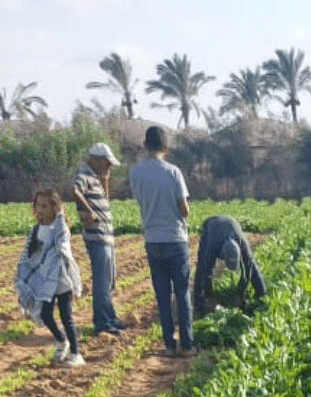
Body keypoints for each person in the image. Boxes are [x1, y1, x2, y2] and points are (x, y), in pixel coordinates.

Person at [129, 126, 197, 358]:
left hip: (152, 239)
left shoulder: (136, 174)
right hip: (175, 238)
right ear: (166, 148)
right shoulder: (173, 172)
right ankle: (187, 345)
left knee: (163, 296)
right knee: (182, 293)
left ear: (145, 145)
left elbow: (140, 201)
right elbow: (184, 209)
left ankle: (169, 344)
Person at [15, 188, 85, 367]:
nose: (40, 209)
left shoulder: (60, 227)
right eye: (38, 205)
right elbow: (30, 257)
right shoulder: (36, 230)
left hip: (61, 280)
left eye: (45, 206)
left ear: (54, 208)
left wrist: (61, 214)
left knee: (66, 316)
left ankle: (76, 354)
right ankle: (62, 341)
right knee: (46, 315)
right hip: (45, 282)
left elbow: (62, 242)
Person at [73, 142, 126, 335]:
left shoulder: (95, 177)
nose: (108, 167)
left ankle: (110, 318)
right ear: (95, 160)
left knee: (109, 279)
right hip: (97, 236)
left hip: (105, 236)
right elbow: (75, 191)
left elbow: (105, 199)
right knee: (102, 281)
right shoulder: (84, 176)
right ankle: (102, 323)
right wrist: (89, 212)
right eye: (107, 163)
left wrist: (105, 179)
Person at [193, 215, 267, 318]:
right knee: (202, 266)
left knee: (252, 265)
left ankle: (262, 296)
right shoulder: (213, 247)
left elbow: (249, 268)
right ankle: (199, 305)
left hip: (233, 224)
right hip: (212, 224)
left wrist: (240, 293)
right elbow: (207, 271)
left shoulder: (243, 244)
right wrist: (209, 296)